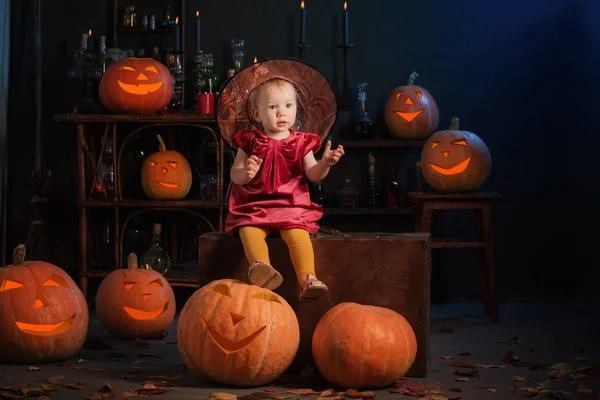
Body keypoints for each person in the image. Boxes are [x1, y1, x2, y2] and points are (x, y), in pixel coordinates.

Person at [224, 77, 345, 300]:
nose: (282, 113)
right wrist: (246, 173)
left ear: (296, 110)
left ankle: (307, 278)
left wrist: (325, 164)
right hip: (255, 207)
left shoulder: (301, 142)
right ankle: (262, 269)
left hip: (291, 207)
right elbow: (235, 174)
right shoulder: (250, 140)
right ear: (258, 114)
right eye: (273, 107)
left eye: (288, 106)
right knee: (248, 231)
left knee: (298, 235)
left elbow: (313, 174)